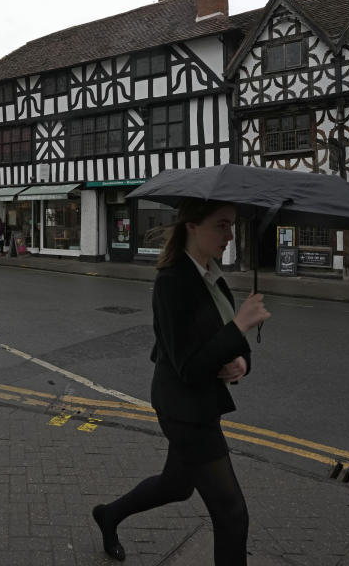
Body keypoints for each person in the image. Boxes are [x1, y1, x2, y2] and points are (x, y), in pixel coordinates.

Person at [91, 199, 270, 565]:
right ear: (192, 226)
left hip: (205, 400)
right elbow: (188, 365)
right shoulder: (172, 282)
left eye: (232, 225)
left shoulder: (210, 274)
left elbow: (221, 338)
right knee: (231, 513)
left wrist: (242, 362)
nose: (230, 234)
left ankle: (108, 516)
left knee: (176, 486)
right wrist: (240, 325)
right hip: (184, 409)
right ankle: (107, 516)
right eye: (221, 225)